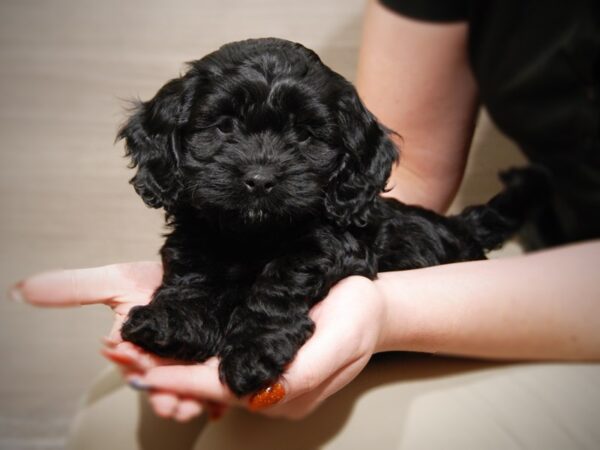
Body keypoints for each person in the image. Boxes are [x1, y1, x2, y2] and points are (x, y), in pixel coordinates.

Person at [11, 0, 600, 429]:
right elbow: (417, 177)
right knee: (112, 416)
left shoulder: (327, 233)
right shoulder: (198, 225)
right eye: (223, 127)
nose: (261, 168)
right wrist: (186, 306)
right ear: (172, 143)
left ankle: (510, 207)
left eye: (303, 134)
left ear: (348, 157)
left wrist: (267, 322)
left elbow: (315, 263)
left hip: (486, 304)